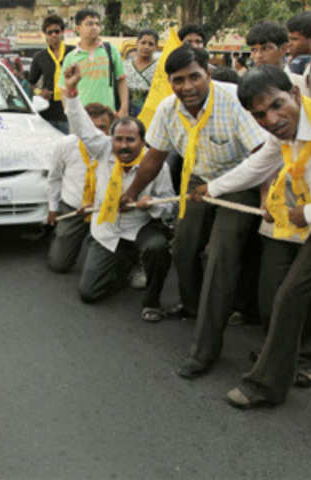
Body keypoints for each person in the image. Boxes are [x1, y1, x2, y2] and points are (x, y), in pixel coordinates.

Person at [191, 65, 311, 408]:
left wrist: (308, 214)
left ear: (295, 93)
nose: (272, 119)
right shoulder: (286, 130)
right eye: (260, 115)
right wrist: (211, 189)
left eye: (277, 105)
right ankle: (266, 385)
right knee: (290, 296)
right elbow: (259, 165)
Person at [118, 44, 265, 378]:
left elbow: (262, 157)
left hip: (239, 183)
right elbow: (154, 158)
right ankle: (194, 307)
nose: (187, 87)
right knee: (183, 245)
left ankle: (205, 348)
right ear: (170, 82)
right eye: (178, 80)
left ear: (208, 74)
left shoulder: (234, 101)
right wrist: (130, 193)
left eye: (194, 77)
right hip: (198, 180)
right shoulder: (168, 109)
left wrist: (268, 199)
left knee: (219, 255)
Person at [63, 64, 174, 320]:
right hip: (107, 230)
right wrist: (71, 91)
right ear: (111, 140)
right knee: (88, 293)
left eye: (130, 140)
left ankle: (152, 301)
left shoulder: (157, 165)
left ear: (143, 142)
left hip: (140, 228)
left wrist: (153, 204)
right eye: (119, 139)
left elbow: (170, 209)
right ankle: (125, 263)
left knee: (157, 248)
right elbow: (81, 126)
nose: (123, 146)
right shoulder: (103, 149)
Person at [47, 102, 115, 273]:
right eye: (90, 128)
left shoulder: (114, 147)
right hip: (73, 209)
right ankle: (63, 236)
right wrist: (52, 208)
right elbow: (54, 178)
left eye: (102, 127)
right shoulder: (64, 144)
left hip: (103, 211)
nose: (96, 134)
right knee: (58, 264)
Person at [59, 8, 128, 117]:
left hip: (108, 115)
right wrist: (71, 114)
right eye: (89, 24)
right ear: (78, 28)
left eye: (97, 24)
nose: (95, 27)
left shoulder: (110, 50)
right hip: (82, 115)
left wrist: (124, 109)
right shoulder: (71, 57)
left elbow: (122, 80)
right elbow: (64, 90)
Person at [28, 14, 72, 133]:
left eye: (57, 31)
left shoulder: (73, 52)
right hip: (47, 113)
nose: (53, 35)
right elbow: (30, 83)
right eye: (49, 32)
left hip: (69, 113)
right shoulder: (39, 57)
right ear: (45, 34)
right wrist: (40, 92)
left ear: (62, 32)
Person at [123, 29, 159, 117]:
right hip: (127, 114)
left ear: (156, 47)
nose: (146, 47)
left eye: (151, 44)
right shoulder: (125, 66)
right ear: (137, 44)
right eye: (143, 43)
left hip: (151, 114)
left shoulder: (160, 68)